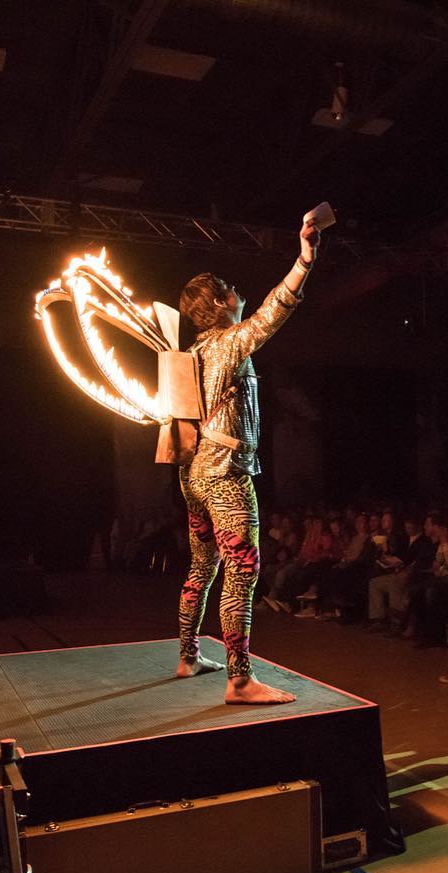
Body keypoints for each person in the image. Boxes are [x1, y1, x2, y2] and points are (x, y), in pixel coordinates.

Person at [174, 211, 321, 704]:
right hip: (226, 475)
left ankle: (189, 656)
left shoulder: (192, 353)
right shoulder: (230, 343)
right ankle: (239, 680)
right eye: (232, 288)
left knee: (202, 566)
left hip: (192, 475)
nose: (239, 293)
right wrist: (304, 258)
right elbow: (275, 310)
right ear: (221, 302)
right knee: (243, 569)